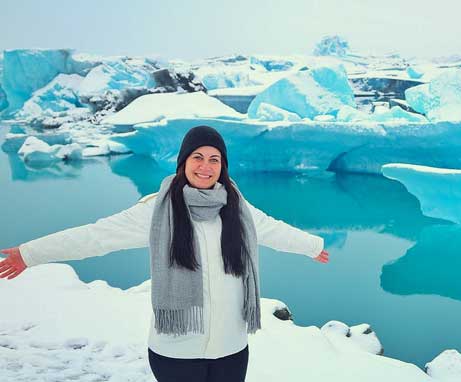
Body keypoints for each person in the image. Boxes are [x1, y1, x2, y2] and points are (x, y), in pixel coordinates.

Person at [0, 125, 329, 382]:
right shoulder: (155, 211)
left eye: (214, 159)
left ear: (223, 166)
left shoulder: (236, 206)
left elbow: (271, 228)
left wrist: (312, 246)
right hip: (175, 352)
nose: (205, 166)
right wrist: (30, 253)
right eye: (197, 157)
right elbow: (95, 236)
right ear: (184, 161)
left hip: (231, 349)